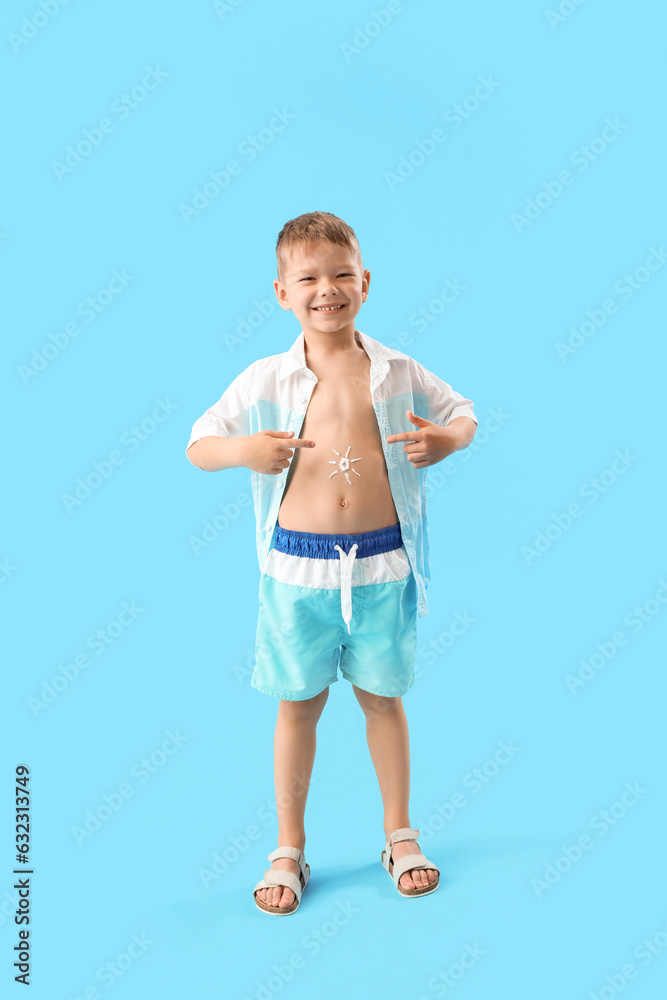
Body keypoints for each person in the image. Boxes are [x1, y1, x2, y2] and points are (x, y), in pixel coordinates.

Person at [185, 211, 478, 914]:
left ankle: (398, 834)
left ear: (365, 282)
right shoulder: (265, 377)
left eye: (341, 274)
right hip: (297, 573)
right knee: (297, 708)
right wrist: (243, 452)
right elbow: (199, 441)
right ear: (282, 292)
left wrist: (448, 440)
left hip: (381, 566)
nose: (327, 289)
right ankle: (288, 846)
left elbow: (461, 410)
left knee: (383, 701)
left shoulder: (397, 370)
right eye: (308, 278)